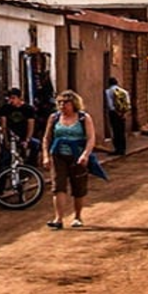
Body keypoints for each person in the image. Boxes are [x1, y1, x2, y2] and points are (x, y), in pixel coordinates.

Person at [41, 89, 97, 229]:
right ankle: (58, 219)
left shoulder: (84, 118)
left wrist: (85, 155)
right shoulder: (54, 118)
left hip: (77, 156)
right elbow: (47, 138)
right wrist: (46, 156)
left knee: (78, 187)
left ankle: (77, 216)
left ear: (74, 104)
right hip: (58, 155)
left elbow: (91, 138)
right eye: (60, 103)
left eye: (65, 103)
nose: (62, 106)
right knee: (58, 186)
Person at [0, 88, 37, 165]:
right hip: (10, 136)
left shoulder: (28, 109)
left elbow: (31, 125)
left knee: (36, 145)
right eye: (9, 98)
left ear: (19, 98)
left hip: (23, 136)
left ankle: (30, 168)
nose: (11, 101)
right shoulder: (5, 109)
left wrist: (27, 140)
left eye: (13, 98)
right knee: (5, 157)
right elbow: (4, 126)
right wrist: (6, 141)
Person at [104, 77, 129, 156]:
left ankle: (117, 149)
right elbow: (128, 103)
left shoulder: (108, 91)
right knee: (122, 131)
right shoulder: (124, 91)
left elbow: (110, 105)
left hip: (114, 114)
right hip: (122, 113)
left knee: (115, 131)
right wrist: (123, 113)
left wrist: (115, 112)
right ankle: (123, 149)